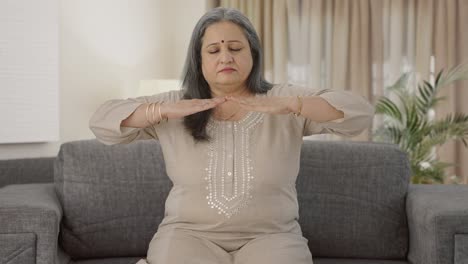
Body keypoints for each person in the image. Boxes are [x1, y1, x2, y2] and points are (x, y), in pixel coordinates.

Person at [89, 7, 374, 264]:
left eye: (236, 48)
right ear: (198, 61)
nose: (225, 56)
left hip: (273, 237)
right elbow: (102, 122)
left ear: (253, 54)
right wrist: (160, 110)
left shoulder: (284, 101)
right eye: (213, 51)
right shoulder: (176, 106)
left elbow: (359, 115)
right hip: (188, 236)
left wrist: (292, 104)